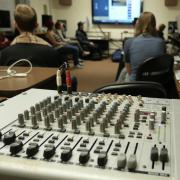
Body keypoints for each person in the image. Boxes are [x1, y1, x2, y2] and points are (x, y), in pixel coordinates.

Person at [0, 4, 77, 91]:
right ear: (36, 24)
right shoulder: (51, 51)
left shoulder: (4, 54)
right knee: (72, 79)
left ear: (15, 24)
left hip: (13, 99)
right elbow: (63, 78)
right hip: (47, 97)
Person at [118, 12, 166, 82]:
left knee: (124, 71)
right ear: (154, 24)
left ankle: (116, 90)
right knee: (124, 71)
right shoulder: (161, 42)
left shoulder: (129, 42)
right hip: (156, 83)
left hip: (136, 84)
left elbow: (129, 71)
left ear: (138, 24)